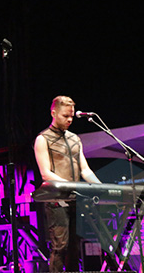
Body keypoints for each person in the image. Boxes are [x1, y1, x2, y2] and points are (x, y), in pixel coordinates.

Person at [34, 96, 101, 272]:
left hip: (75, 198)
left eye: (71, 116)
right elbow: (45, 173)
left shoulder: (75, 139)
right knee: (60, 246)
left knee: (75, 247)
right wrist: (73, 186)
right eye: (65, 116)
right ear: (53, 113)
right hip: (57, 200)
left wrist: (101, 187)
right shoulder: (43, 139)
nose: (70, 119)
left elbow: (85, 169)